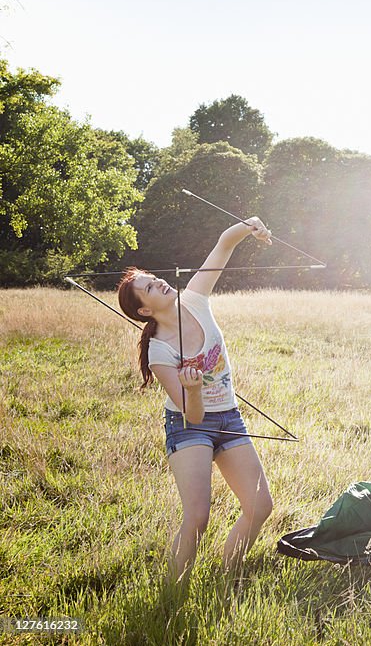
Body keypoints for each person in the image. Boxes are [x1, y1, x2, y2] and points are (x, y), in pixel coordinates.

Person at [116, 218, 274, 583]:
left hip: (230, 419)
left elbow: (223, 246)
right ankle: (173, 592)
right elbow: (193, 413)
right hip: (189, 427)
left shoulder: (195, 298)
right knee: (198, 518)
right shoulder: (159, 352)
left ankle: (228, 576)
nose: (159, 282)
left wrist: (251, 226)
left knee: (260, 506)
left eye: (155, 278)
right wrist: (191, 389)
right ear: (144, 310)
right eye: (149, 287)